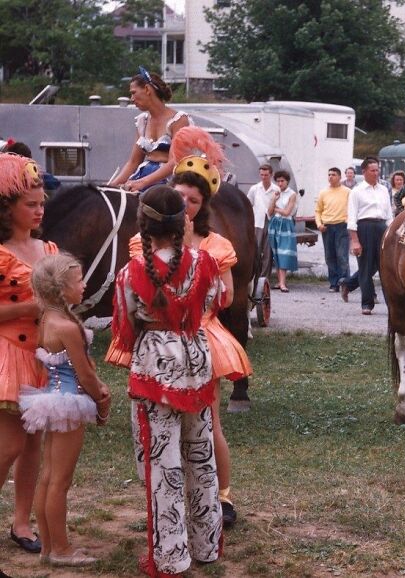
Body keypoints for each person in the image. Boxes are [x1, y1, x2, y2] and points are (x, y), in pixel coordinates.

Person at [110, 126, 252, 529]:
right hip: (158, 342)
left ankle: (220, 496)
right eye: (180, 198)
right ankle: (164, 500)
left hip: (201, 336)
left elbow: (223, 299)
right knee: (160, 426)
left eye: (193, 199)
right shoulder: (144, 243)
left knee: (208, 423)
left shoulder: (215, 246)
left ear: (203, 204)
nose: (186, 205)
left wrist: (191, 263)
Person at [107, 185, 223, 577]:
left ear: (143, 225)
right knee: (199, 453)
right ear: (182, 223)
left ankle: (171, 557)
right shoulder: (204, 262)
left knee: (163, 462)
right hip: (196, 358)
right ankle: (207, 545)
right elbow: (215, 301)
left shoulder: (130, 272)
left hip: (154, 365)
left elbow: (123, 328)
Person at [18, 254, 111, 567]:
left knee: (48, 477)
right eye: (79, 282)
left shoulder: (47, 319)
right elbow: (84, 374)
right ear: (60, 290)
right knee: (60, 481)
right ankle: (60, 548)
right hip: (70, 402)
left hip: (53, 398)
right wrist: (101, 397)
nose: (84, 286)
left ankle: (48, 546)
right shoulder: (67, 328)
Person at [0, 153, 57, 557]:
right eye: (30, 205)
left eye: (42, 204)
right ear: (7, 208)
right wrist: (26, 308)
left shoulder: (47, 247)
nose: (39, 211)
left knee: (34, 444)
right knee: (8, 446)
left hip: (42, 355)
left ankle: (22, 522)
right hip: (8, 353)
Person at [109, 68, 191, 193]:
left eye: (133, 92)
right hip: (143, 178)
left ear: (147, 89)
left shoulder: (178, 120)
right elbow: (133, 162)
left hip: (169, 181)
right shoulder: (142, 121)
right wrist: (111, 186)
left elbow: (175, 162)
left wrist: (143, 183)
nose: (131, 98)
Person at [339, 157, 393, 315]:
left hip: (382, 227)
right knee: (366, 267)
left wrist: (390, 233)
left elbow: (389, 214)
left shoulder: (383, 189)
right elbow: (351, 218)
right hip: (364, 228)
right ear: (364, 172)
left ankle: (391, 303)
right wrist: (355, 241)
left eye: (378, 170)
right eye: (373, 170)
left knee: (384, 267)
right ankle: (367, 304)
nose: (376, 173)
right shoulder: (356, 191)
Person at [315, 167, 350, 292]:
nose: (330, 177)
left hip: (342, 225)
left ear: (340, 177)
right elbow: (318, 210)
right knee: (330, 256)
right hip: (327, 227)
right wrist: (319, 224)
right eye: (329, 174)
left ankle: (345, 282)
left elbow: (352, 208)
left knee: (342, 256)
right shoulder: (323, 192)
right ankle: (334, 283)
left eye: (333, 174)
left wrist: (349, 221)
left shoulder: (347, 192)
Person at [268, 170, 298, 292]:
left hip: (286, 224)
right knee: (276, 253)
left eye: (282, 181)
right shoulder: (275, 193)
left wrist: (276, 209)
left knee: (284, 252)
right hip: (275, 223)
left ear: (287, 181)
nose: (280, 183)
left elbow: (287, 212)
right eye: (278, 181)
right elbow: (270, 212)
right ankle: (279, 282)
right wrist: (274, 201)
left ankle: (283, 283)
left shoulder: (292, 194)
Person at [246, 164, 279, 248]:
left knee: (269, 250)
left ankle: (267, 262)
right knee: (256, 248)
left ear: (271, 175)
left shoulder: (276, 189)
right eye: (262, 175)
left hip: (271, 222)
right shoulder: (254, 189)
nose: (263, 177)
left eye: (266, 175)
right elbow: (248, 205)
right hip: (257, 222)